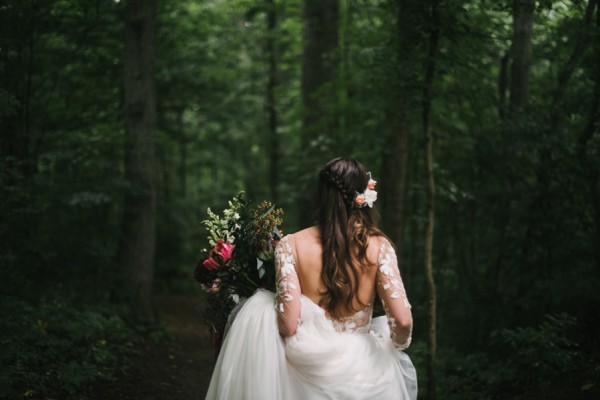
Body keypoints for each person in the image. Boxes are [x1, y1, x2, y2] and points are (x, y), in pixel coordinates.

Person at [206, 157, 417, 400]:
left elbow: (288, 325)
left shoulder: (290, 245)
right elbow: (402, 320)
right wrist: (394, 348)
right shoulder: (380, 247)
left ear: (322, 196)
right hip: (367, 374)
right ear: (362, 196)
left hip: (303, 370)